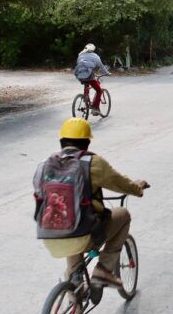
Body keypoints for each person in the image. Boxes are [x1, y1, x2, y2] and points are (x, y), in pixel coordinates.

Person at [38, 117, 149, 288]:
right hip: (83, 235)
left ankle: (73, 297)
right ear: (87, 144)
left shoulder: (45, 164)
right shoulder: (92, 162)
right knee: (123, 215)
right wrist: (138, 187)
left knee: (69, 228)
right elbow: (120, 183)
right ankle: (103, 271)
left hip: (49, 236)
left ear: (61, 142)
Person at [74, 43, 110, 116]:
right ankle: (95, 108)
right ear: (93, 50)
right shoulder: (95, 56)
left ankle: (85, 97)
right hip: (89, 75)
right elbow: (101, 66)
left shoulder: (80, 55)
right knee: (99, 90)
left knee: (86, 82)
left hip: (79, 75)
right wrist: (107, 73)